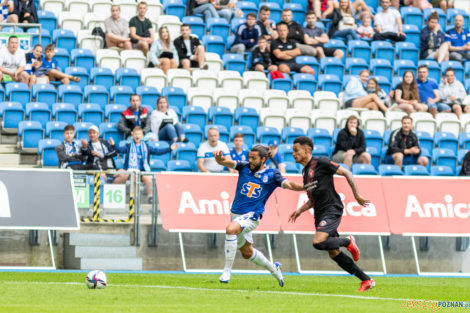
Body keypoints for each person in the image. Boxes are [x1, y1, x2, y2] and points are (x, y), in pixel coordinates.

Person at [289, 136, 375, 292]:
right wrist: (299, 211)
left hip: (331, 208)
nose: (293, 154)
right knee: (334, 253)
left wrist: (357, 195)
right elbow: (312, 199)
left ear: (307, 150)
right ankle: (366, 280)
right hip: (320, 213)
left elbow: (347, 173)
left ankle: (348, 241)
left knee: (318, 242)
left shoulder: (321, 162)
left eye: (296, 150)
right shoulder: (305, 171)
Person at [214, 145, 304, 285]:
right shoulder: (243, 166)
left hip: (252, 215)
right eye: (249, 157)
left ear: (263, 159)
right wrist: (219, 160)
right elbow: (225, 162)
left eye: (254, 158)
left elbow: (290, 185)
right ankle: (274, 269)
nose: (250, 160)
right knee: (247, 253)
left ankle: (227, 271)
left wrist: (306, 187)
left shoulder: (272, 174)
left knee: (230, 230)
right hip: (236, 215)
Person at [113, 126, 176, 201]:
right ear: (132, 135)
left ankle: (150, 197)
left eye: (139, 134)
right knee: (134, 176)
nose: (137, 136)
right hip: (130, 171)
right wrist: (113, 145)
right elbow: (119, 150)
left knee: (148, 178)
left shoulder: (146, 147)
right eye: (135, 134)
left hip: (142, 171)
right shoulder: (128, 146)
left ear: (142, 136)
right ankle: (133, 197)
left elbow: (158, 151)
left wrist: (169, 149)